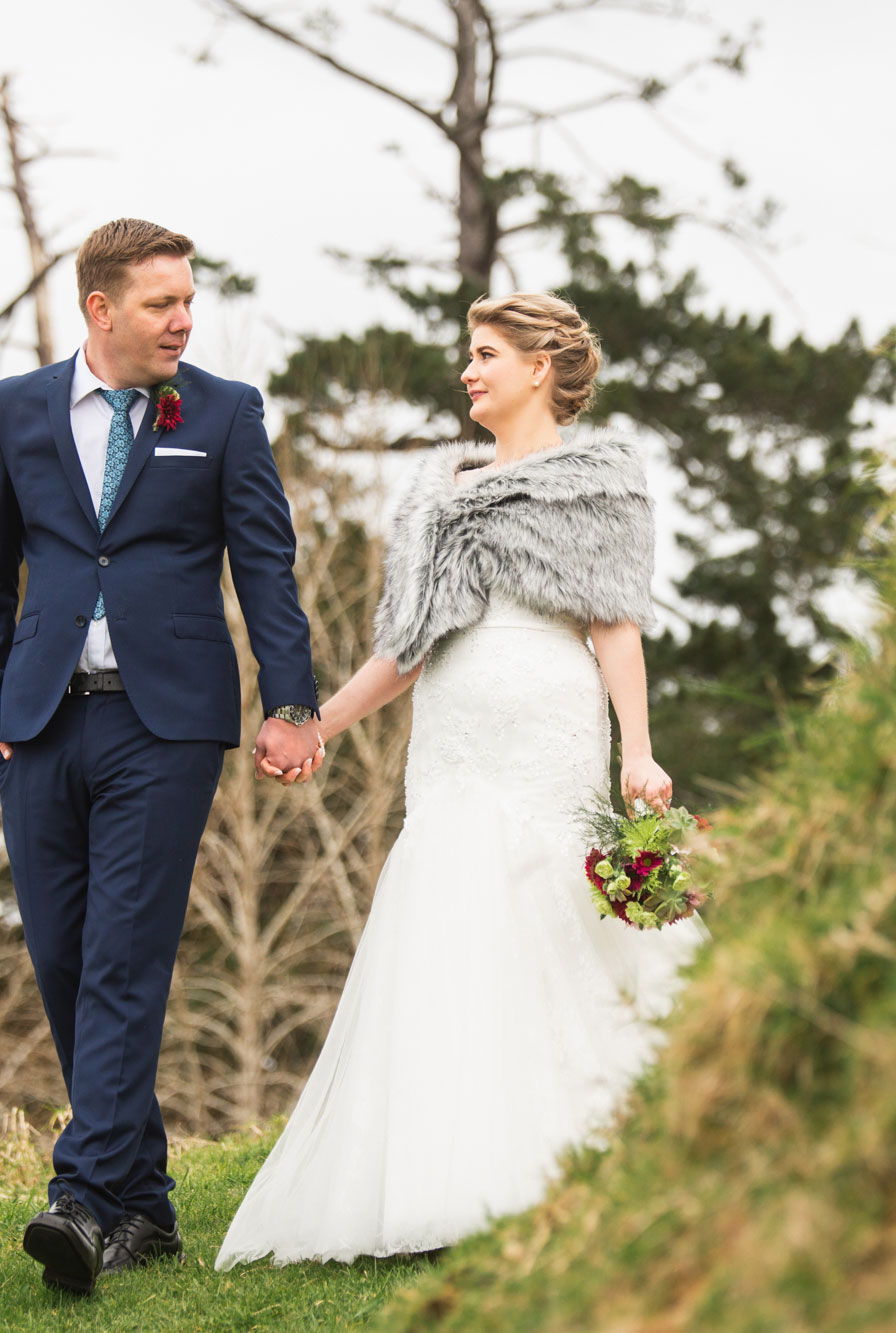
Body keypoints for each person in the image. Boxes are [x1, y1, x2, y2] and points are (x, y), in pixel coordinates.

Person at [215, 291, 707, 1269]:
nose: (468, 371)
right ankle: (450, 1178)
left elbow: (613, 621)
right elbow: (403, 649)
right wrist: (315, 723)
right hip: (452, 737)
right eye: (467, 355)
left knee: (551, 921)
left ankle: (602, 1160)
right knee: (449, 923)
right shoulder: (435, 493)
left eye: (486, 354)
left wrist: (635, 747)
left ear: (540, 365)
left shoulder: (601, 477)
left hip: (547, 724)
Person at [0, 217, 325, 1295]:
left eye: (188, 298)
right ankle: (148, 1207)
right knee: (65, 962)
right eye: (162, 302)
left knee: (123, 954)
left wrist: (288, 700)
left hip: (165, 725)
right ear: (100, 310)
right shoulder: (13, 410)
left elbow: (266, 565)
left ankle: (80, 1192)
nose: (184, 318)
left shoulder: (222, 412)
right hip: (36, 722)